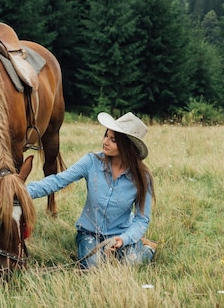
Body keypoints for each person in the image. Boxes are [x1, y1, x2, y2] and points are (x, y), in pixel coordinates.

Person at [27, 112, 157, 269]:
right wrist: (24, 191)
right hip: (90, 234)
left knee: (131, 263)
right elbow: (58, 181)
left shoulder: (142, 178)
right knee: (93, 267)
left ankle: (146, 248)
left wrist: (123, 239)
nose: (105, 142)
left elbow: (142, 219)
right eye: (106, 136)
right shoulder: (91, 162)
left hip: (121, 234)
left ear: (127, 146)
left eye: (113, 140)